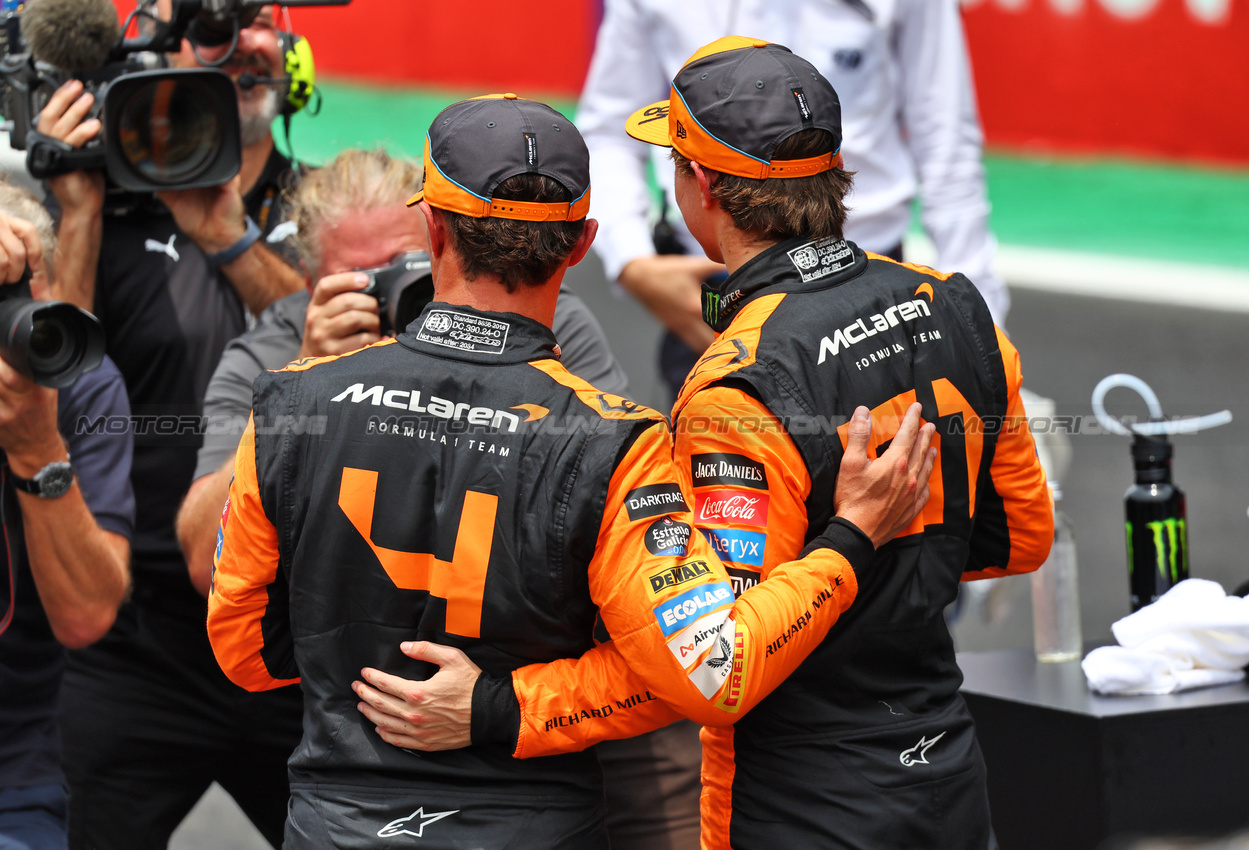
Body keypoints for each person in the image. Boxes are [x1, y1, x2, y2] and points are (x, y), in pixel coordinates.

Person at [354, 40, 1054, 850]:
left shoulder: (737, 384)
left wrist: (498, 708)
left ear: (706, 186)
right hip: (944, 775)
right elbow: (1020, 538)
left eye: (675, 163)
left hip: (801, 800)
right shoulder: (955, 308)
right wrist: (884, 561)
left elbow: (716, 667)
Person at [207, 94, 935, 849]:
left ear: (432, 229)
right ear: (582, 241)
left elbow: (246, 655)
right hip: (531, 826)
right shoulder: (617, 445)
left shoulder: (294, 399)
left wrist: (350, 658)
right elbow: (708, 670)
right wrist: (851, 537)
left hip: (339, 827)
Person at [40, 4, 310, 846]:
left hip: (298, 635)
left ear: (294, 56)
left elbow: (359, 354)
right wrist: (79, 211)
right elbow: (50, 387)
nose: (245, 44)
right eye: (215, 29)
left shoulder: (334, 204)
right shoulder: (105, 210)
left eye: (264, 23)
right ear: (159, 58)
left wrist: (228, 237)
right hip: (134, 640)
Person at [177, 147, 629, 593]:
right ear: (312, 283)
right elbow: (204, 562)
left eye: (405, 270)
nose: (392, 294)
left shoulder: (536, 314)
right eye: (362, 279)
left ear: (441, 244)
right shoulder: (273, 353)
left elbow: (618, 507)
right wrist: (304, 386)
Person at [577, 0, 1009, 396]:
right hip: (715, 289)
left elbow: (946, 140)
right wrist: (632, 261)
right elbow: (610, 126)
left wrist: (985, 332)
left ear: (697, 181)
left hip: (872, 282)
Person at [0, 183, 132, 849]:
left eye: (16, 290)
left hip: (13, 776)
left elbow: (85, 617)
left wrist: (35, 445)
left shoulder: (78, 380)